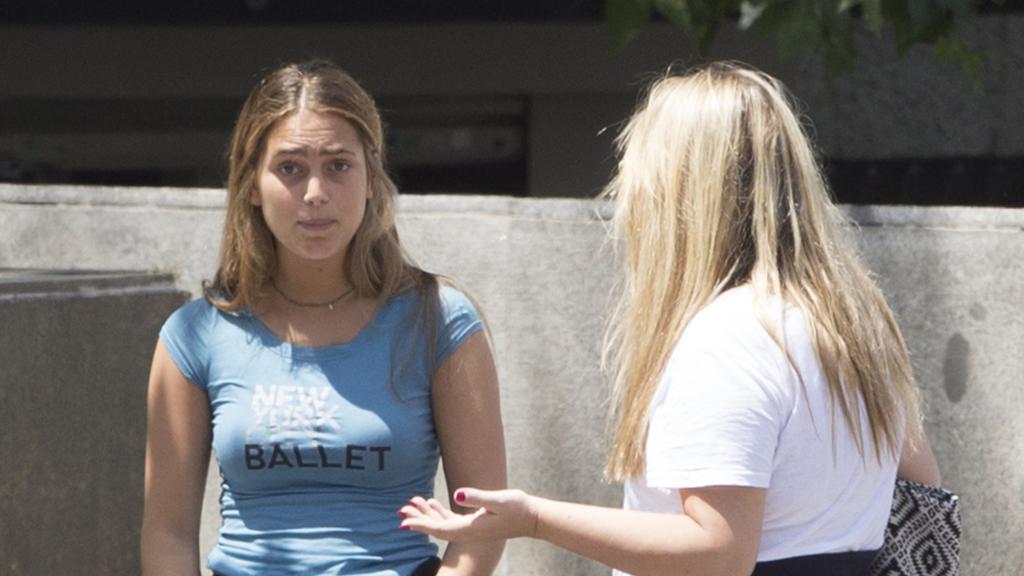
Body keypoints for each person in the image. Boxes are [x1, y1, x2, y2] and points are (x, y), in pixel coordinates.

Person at [398, 61, 941, 576]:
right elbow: (922, 491)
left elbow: (719, 553)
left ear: (680, 194)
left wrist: (534, 518)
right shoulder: (851, 318)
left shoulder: (733, 338)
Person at [141, 59, 506, 576]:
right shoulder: (194, 336)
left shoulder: (440, 321)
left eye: (338, 165)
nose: (315, 193)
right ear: (251, 184)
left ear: (372, 178)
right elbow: (167, 534)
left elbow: (482, 524)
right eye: (290, 167)